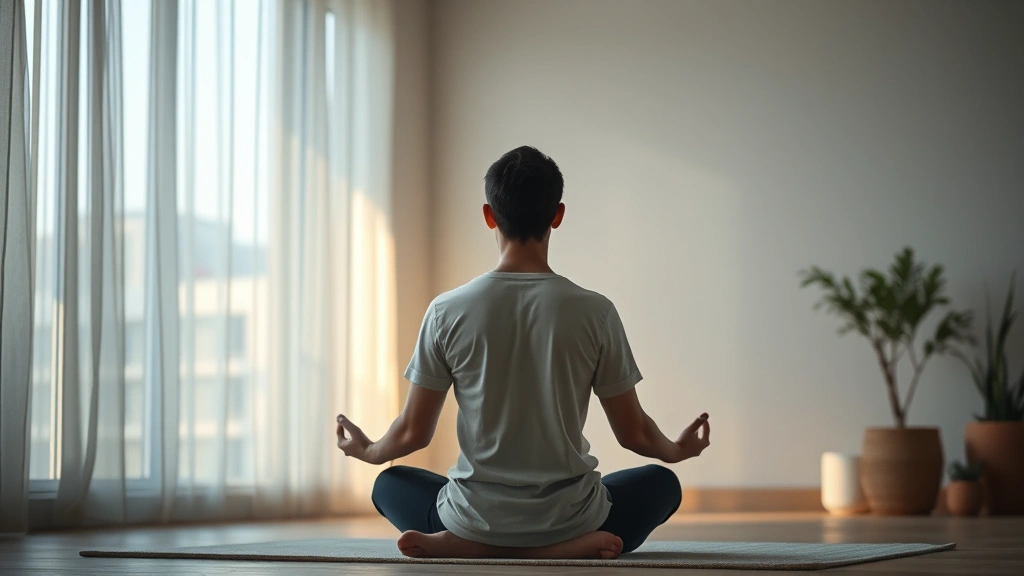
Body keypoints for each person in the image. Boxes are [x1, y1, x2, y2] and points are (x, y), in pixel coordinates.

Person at [335, 145, 711, 560]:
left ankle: (470, 542)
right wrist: (678, 450)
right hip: (577, 517)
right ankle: (564, 545)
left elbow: (412, 433)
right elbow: (634, 434)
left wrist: (367, 450)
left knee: (389, 484)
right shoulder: (595, 311)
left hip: (471, 516)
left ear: (489, 215)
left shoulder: (446, 311)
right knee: (662, 483)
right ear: (558, 215)